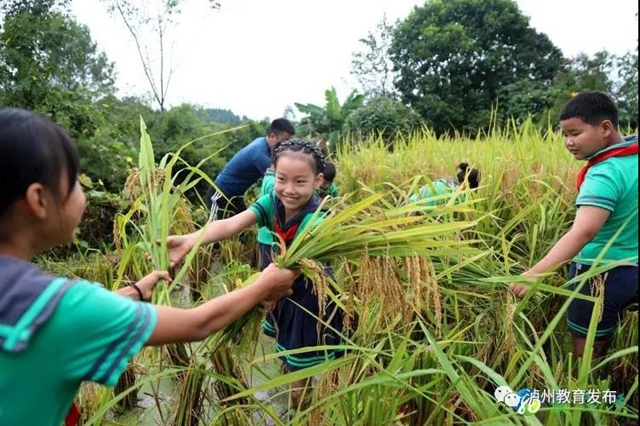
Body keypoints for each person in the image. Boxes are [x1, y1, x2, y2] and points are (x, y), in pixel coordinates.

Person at [0, 109, 297, 425]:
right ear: (38, 200)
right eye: (74, 182)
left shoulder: (50, 303)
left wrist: (135, 291)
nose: (81, 193)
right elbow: (198, 323)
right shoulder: (67, 308)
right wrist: (265, 285)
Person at [165, 139, 345, 409]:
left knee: (301, 372)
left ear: (318, 181)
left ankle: (301, 412)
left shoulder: (317, 218)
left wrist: (260, 288)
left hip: (309, 302)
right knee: (287, 353)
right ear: (273, 172)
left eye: (300, 182)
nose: (289, 190)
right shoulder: (272, 201)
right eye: (282, 179)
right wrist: (190, 240)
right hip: (282, 293)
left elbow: (290, 270)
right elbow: (231, 224)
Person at [509, 91, 638, 359]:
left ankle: (588, 392)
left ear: (605, 128)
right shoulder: (633, 158)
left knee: (587, 355)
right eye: (565, 135)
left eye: (575, 133)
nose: (568, 142)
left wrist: (536, 273)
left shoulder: (604, 172)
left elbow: (584, 232)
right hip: (633, 269)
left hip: (597, 275)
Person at [206, 118, 295, 220]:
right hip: (220, 194)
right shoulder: (259, 154)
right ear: (272, 136)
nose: (286, 146)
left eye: (288, 142)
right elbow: (280, 176)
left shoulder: (262, 142)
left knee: (245, 232)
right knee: (213, 231)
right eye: (283, 142)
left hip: (236, 197)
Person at [408, 162, 480, 207]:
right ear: (467, 184)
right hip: (412, 213)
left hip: (406, 204)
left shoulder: (442, 182)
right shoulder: (455, 196)